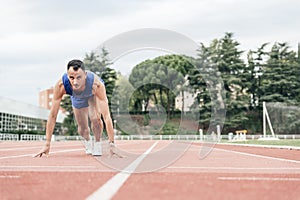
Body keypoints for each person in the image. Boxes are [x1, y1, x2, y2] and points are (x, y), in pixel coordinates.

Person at [35, 59, 116, 157]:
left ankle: (98, 143)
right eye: (72, 78)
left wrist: (112, 144)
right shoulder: (61, 85)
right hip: (76, 97)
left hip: (91, 95)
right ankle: (87, 140)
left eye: (79, 77)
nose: (75, 82)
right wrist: (47, 144)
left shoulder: (97, 85)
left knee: (95, 118)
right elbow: (52, 116)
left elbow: (106, 116)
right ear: (67, 75)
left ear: (85, 74)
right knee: (82, 128)